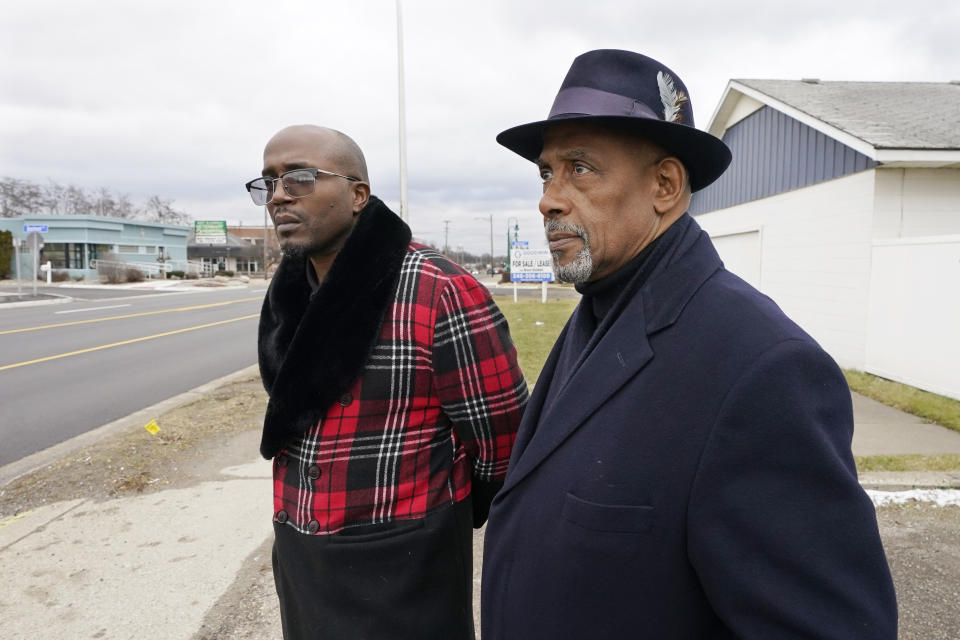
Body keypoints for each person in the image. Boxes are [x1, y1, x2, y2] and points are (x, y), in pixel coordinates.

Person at [481, 50, 897, 639]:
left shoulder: (762, 368)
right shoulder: (601, 312)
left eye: (580, 168)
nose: (550, 197)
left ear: (666, 186)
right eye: (547, 172)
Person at [247, 125, 528, 640]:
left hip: (404, 573)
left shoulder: (438, 290)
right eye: (268, 182)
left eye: (301, 178)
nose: (279, 195)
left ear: (358, 195)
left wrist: (436, 518)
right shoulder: (289, 290)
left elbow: (503, 442)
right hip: (302, 559)